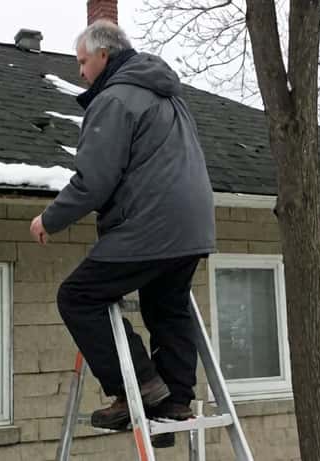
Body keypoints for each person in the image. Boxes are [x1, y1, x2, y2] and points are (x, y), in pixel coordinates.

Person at [29, 19, 216, 446]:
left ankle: (139, 386)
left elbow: (94, 180)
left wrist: (50, 219)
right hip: (193, 226)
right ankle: (173, 403)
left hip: (149, 226)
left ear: (104, 56)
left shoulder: (116, 98)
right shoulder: (168, 96)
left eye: (82, 62)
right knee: (167, 307)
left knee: (78, 297)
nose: (80, 72)